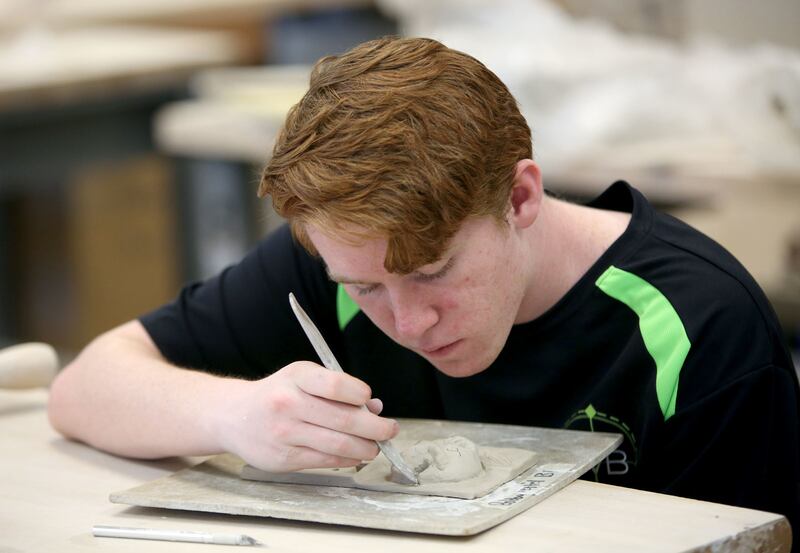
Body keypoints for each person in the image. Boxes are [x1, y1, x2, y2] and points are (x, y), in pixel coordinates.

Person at [48, 36, 799, 537]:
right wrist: (232, 413)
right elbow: (83, 388)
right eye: (365, 288)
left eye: (434, 272)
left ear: (522, 198)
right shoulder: (344, 255)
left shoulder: (700, 332)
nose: (407, 321)